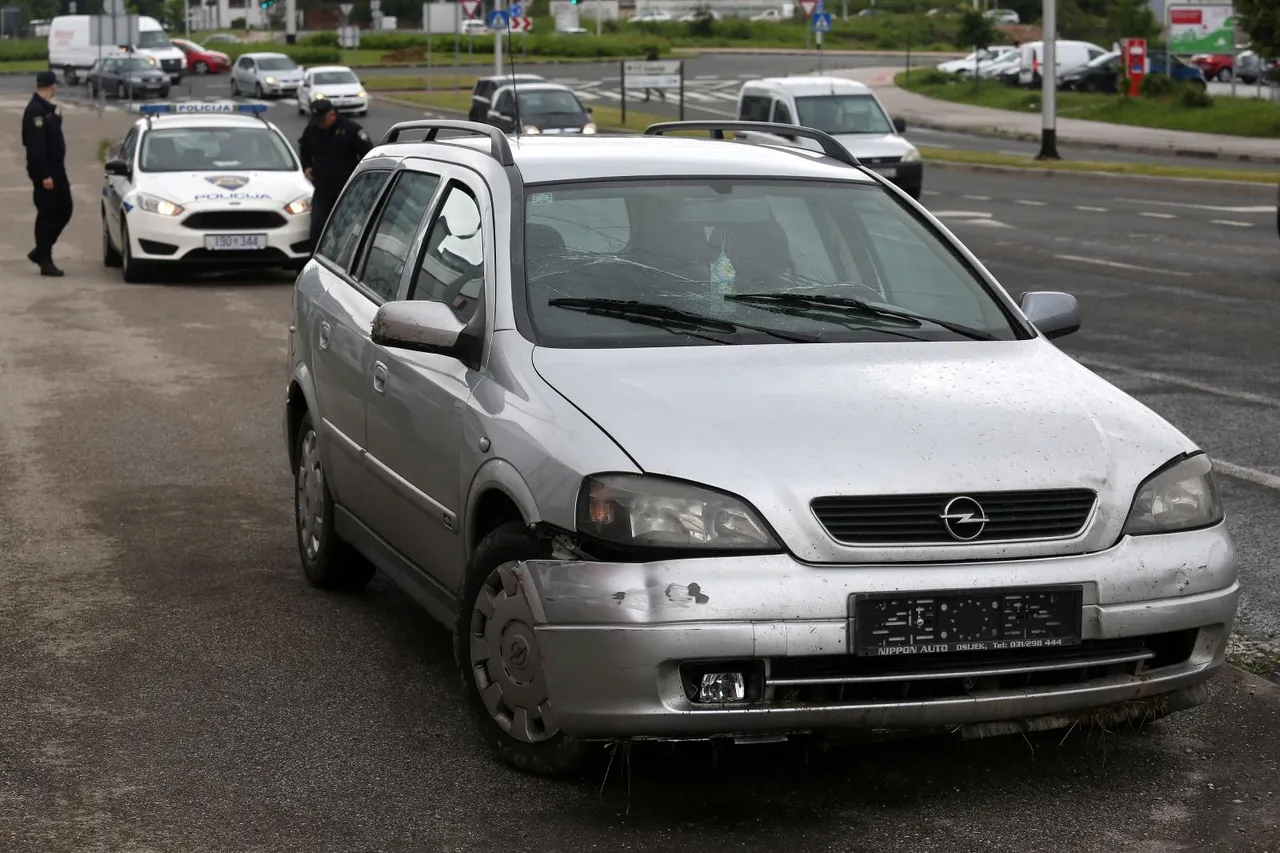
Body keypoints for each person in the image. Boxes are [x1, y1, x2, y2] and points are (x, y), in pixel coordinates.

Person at [298, 98, 373, 251]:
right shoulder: (313, 129)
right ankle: (314, 259)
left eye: (321, 120)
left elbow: (368, 155)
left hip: (347, 190)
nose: (319, 124)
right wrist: (306, 166)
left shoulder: (351, 130)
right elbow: (304, 148)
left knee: (346, 228)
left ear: (332, 115)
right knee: (318, 227)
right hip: (322, 188)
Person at [23, 70, 71, 277]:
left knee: (65, 209)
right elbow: (35, 149)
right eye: (55, 86)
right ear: (51, 86)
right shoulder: (36, 112)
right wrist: (44, 176)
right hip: (47, 173)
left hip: (57, 170)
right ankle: (45, 259)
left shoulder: (47, 109)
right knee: (47, 214)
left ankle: (41, 250)